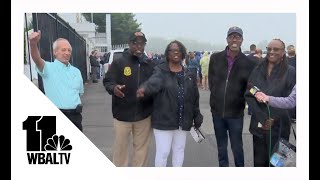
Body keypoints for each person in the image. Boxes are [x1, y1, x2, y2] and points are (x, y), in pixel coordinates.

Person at [136, 40, 203, 167]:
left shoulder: (189, 74)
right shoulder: (160, 71)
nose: (175, 52)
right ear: (167, 54)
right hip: (164, 120)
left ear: (183, 54)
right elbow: (153, 82)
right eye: (172, 50)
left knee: (179, 150)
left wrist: (197, 114)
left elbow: (194, 97)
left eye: (178, 50)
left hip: (182, 121)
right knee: (163, 152)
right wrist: (144, 89)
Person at [103, 31, 155, 167]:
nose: (139, 46)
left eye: (142, 43)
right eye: (135, 43)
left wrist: (149, 92)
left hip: (144, 115)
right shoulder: (119, 62)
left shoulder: (149, 64)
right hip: (122, 115)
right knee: (121, 150)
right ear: (129, 44)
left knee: (141, 150)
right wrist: (114, 89)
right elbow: (108, 81)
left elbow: (156, 84)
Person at [208, 26, 256, 167]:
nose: (234, 39)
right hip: (217, 113)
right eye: (231, 36)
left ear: (242, 40)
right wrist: (216, 96)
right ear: (227, 39)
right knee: (221, 148)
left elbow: (250, 87)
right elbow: (211, 81)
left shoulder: (249, 63)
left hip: (235, 114)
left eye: (237, 37)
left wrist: (241, 100)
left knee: (237, 147)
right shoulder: (215, 58)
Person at [245, 39, 296, 167]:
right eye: (269, 49)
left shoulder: (291, 72)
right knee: (259, 164)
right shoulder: (257, 69)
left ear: (283, 52)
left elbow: (291, 101)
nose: (271, 52)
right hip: (260, 127)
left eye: (276, 49)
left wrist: (274, 118)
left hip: (281, 129)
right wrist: (263, 119)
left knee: (277, 165)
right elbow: (249, 92)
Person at [29, 30, 84, 131]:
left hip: (76, 117)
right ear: (55, 52)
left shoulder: (76, 72)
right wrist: (33, 44)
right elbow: (37, 59)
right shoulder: (48, 68)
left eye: (69, 50)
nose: (67, 53)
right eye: (63, 50)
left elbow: (79, 93)